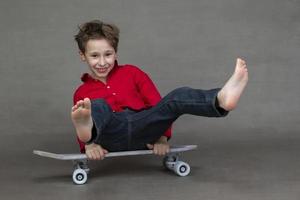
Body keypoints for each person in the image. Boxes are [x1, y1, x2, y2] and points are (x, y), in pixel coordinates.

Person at [71, 20, 248, 160]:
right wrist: (88, 146)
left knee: (175, 98)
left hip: (143, 126)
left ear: (115, 52)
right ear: (82, 55)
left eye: (108, 54)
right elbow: (85, 118)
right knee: (96, 106)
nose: (102, 62)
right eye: (94, 56)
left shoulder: (133, 73)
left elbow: (158, 105)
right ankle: (89, 138)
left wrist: (162, 137)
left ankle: (219, 100)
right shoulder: (82, 91)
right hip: (110, 134)